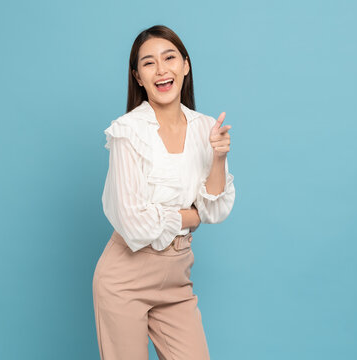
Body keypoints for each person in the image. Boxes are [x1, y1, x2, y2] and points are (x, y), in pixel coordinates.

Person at [92, 24, 236, 360]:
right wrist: (188, 215)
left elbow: (213, 211)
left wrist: (218, 158)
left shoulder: (205, 128)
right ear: (138, 77)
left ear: (185, 65)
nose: (161, 70)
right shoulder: (127, 132)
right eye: (148, 63)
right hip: (124, 278)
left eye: (169, 57)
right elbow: (133, 223)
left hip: (177, 276)